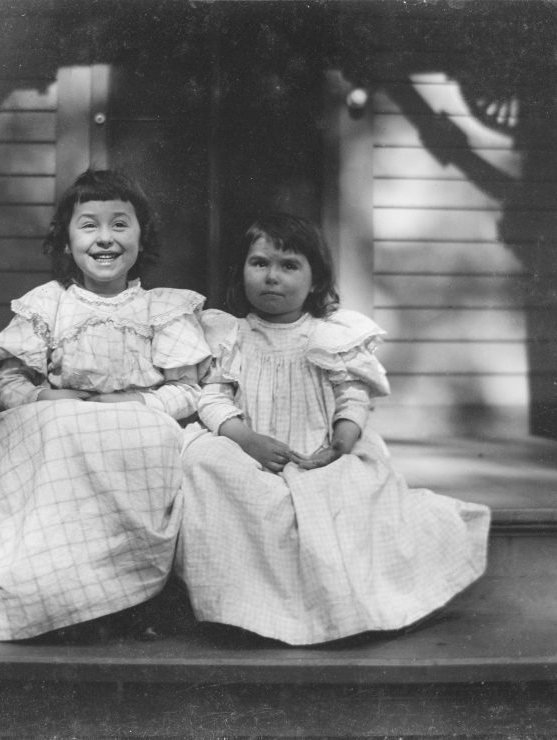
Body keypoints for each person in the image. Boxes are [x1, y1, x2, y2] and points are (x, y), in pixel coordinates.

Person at [0, 169, 210, 642]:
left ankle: (124, 594)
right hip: (62, 424)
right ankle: (56, 595)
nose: (105, 238)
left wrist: (137, 401)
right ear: (66, 239)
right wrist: (44, 396)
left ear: (142, 238)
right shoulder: (49, 304)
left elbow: (188, 389)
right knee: (53, 429)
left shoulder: (161, 308)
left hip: (136, 424)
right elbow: (9, 381)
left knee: (151, 437)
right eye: (89, 225)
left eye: (120, 224)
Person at [176, 213, 491, 646]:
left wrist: (343, 438)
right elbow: (212, 398)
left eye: (289, 266)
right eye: (260, 263)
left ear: (315, 280)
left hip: (319, 451)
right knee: (203, 462)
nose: (272, 276)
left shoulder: (332, 335)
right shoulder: (231, 335)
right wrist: (247, 440)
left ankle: (357, 606)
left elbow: (353, 397)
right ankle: (246, 610)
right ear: (241, 270)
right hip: (251, 451)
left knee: (353, 489)